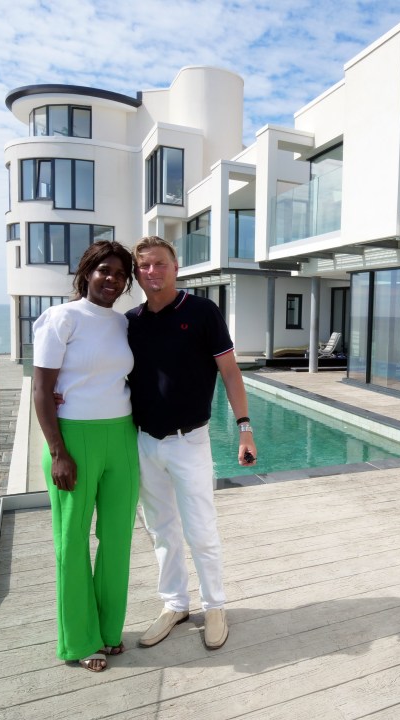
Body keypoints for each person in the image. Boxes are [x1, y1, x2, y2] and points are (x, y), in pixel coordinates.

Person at [127, 235, 257, 650]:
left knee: (200, 529)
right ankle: (175, 603)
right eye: (144, 265)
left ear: (175, 267)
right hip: (146, 442)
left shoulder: (202, 312)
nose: (152, 271)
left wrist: (245, 428)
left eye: (160, 263)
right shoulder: (131, 321)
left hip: (190, 442)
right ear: (137, 272)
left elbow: (231, 372)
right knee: (161, 530)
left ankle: (215, 605)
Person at [32, 240, 140, 672]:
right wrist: (58, 450)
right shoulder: (61, 318)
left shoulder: (123, 324)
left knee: (117, 540)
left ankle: (110, 631)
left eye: (119, 274)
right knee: (72, 543)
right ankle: (79, 640)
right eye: (104, 271)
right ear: (87, 273)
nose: (111, 279)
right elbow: (41, 389)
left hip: (122, 436)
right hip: (73, 440)